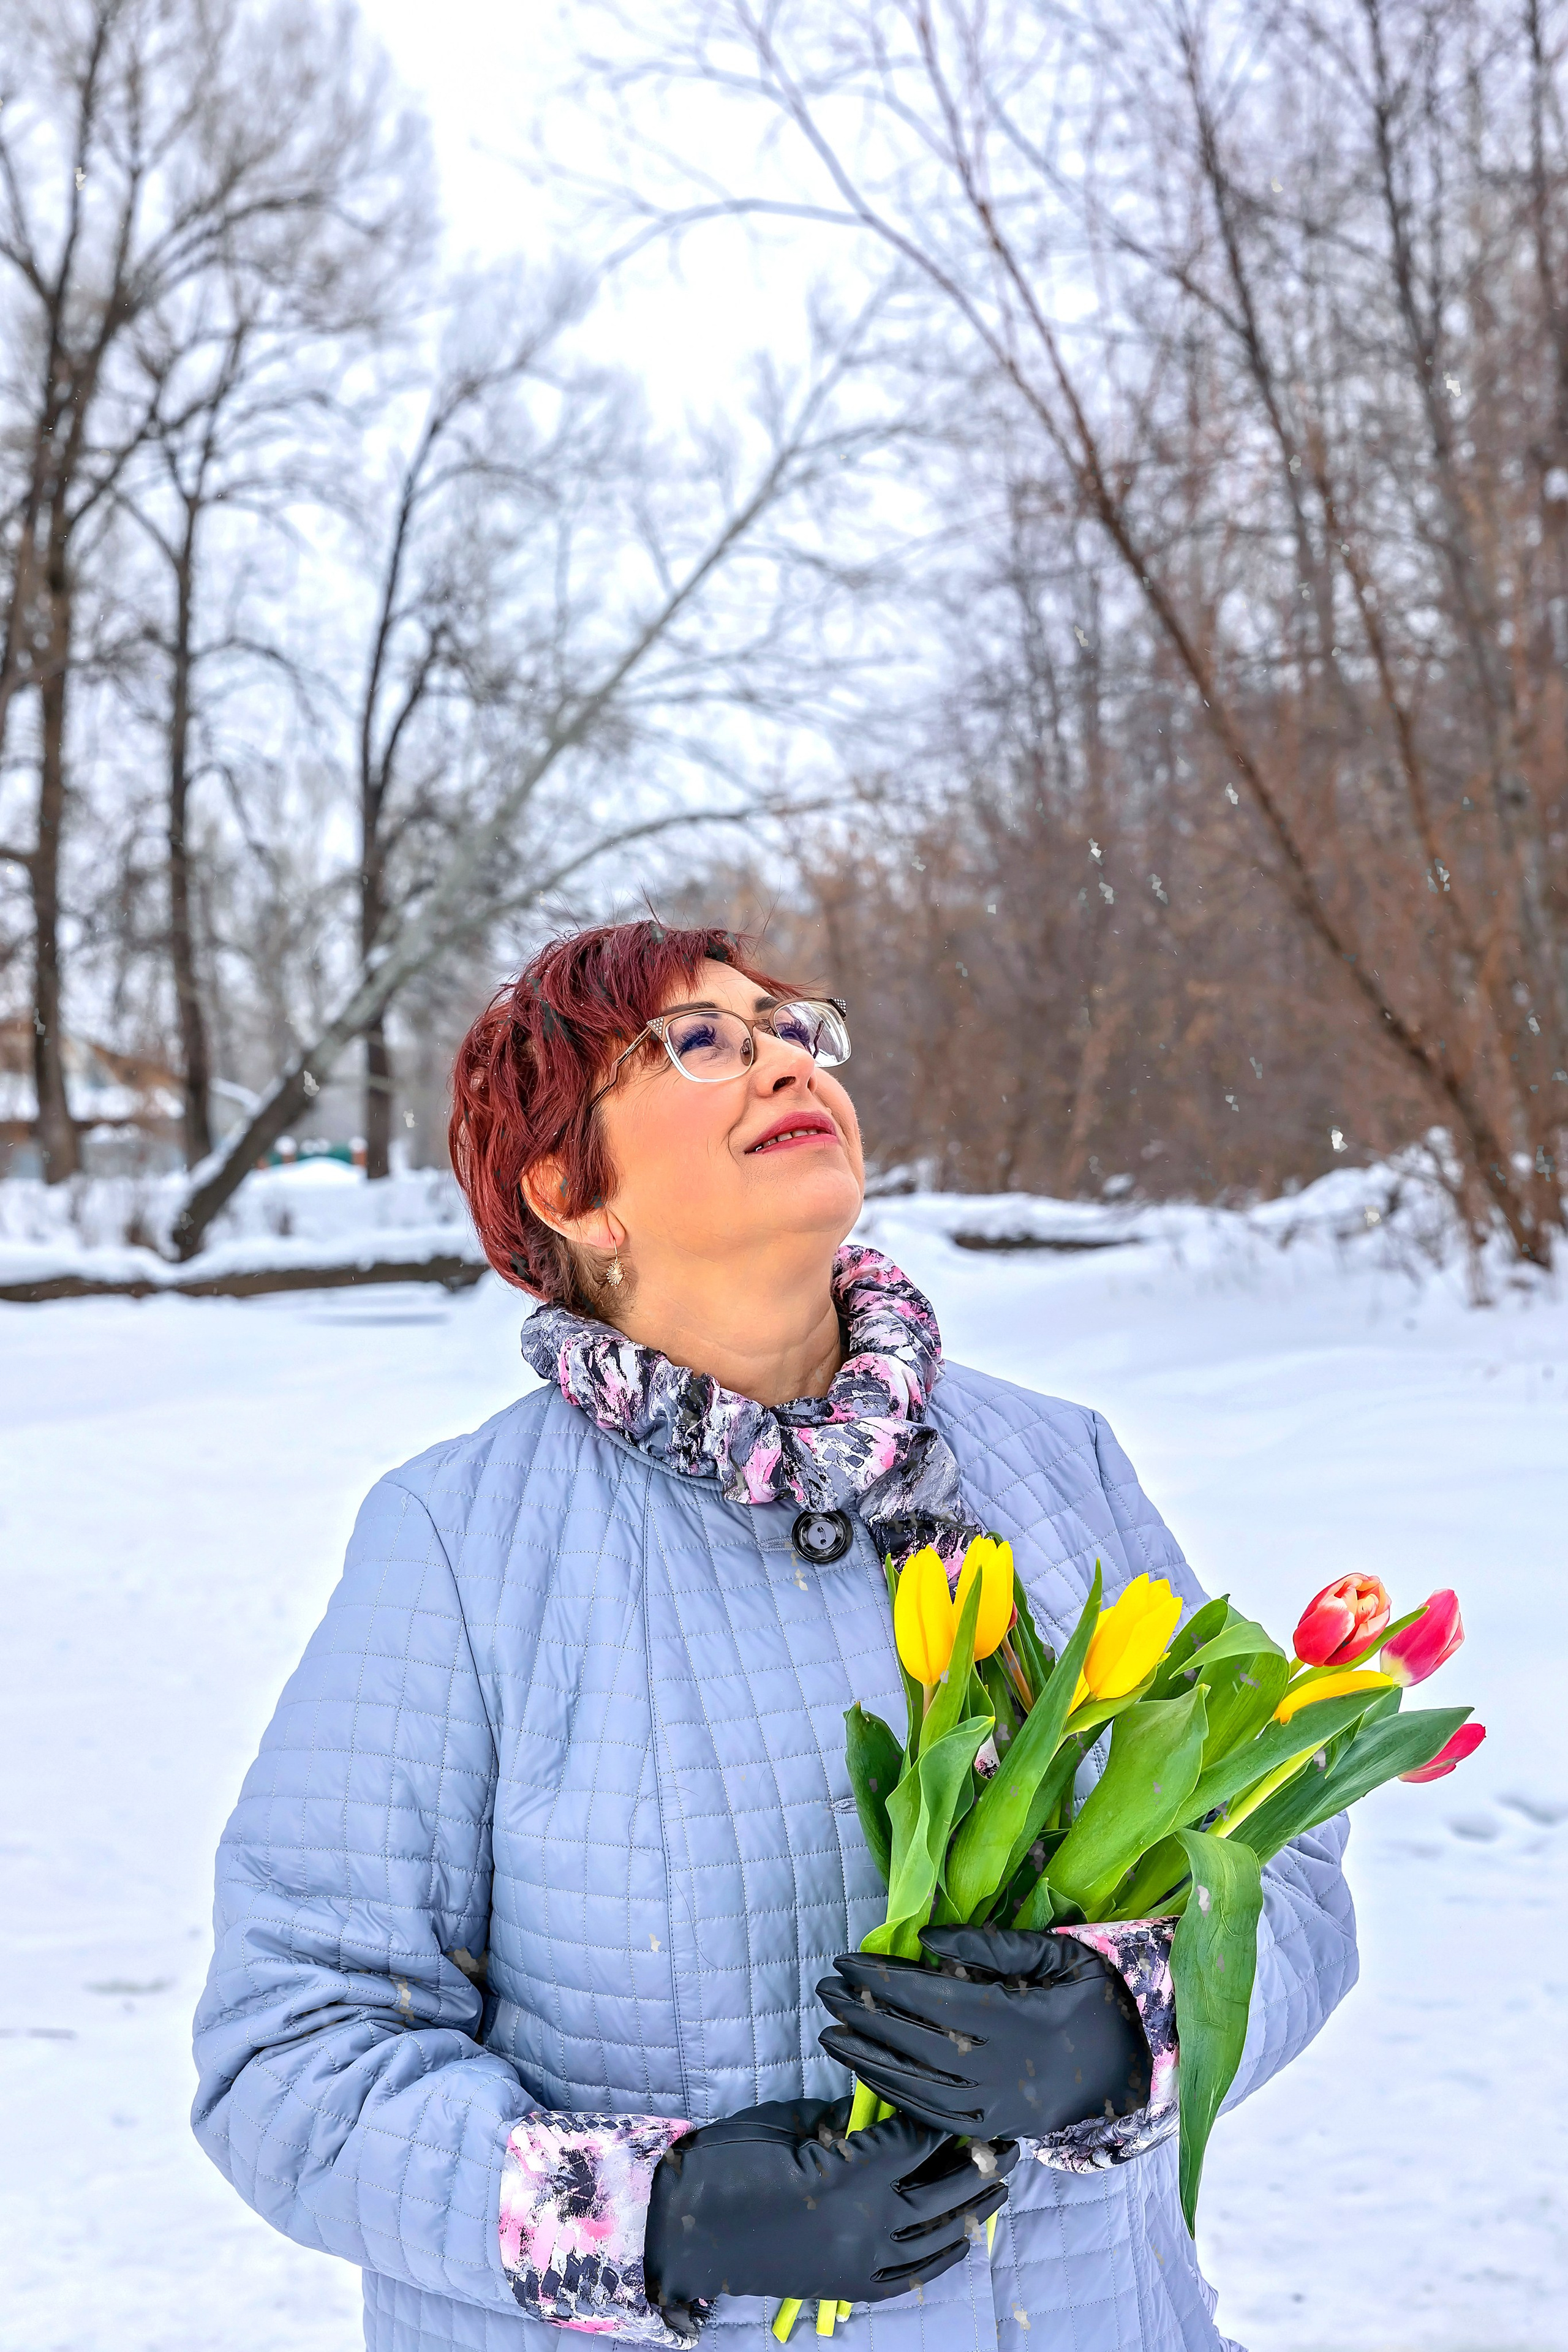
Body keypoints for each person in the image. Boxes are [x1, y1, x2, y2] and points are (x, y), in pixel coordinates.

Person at [193, 919, 1359, 2352]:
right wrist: (671, 2215)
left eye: (796, 1029)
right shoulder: (461, 1544)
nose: (783, 1061)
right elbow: (291, 2057)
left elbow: (1282, 1857)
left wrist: (1125, 2031)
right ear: (571, 1191)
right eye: (699, 1042)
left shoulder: (1057, 1465)